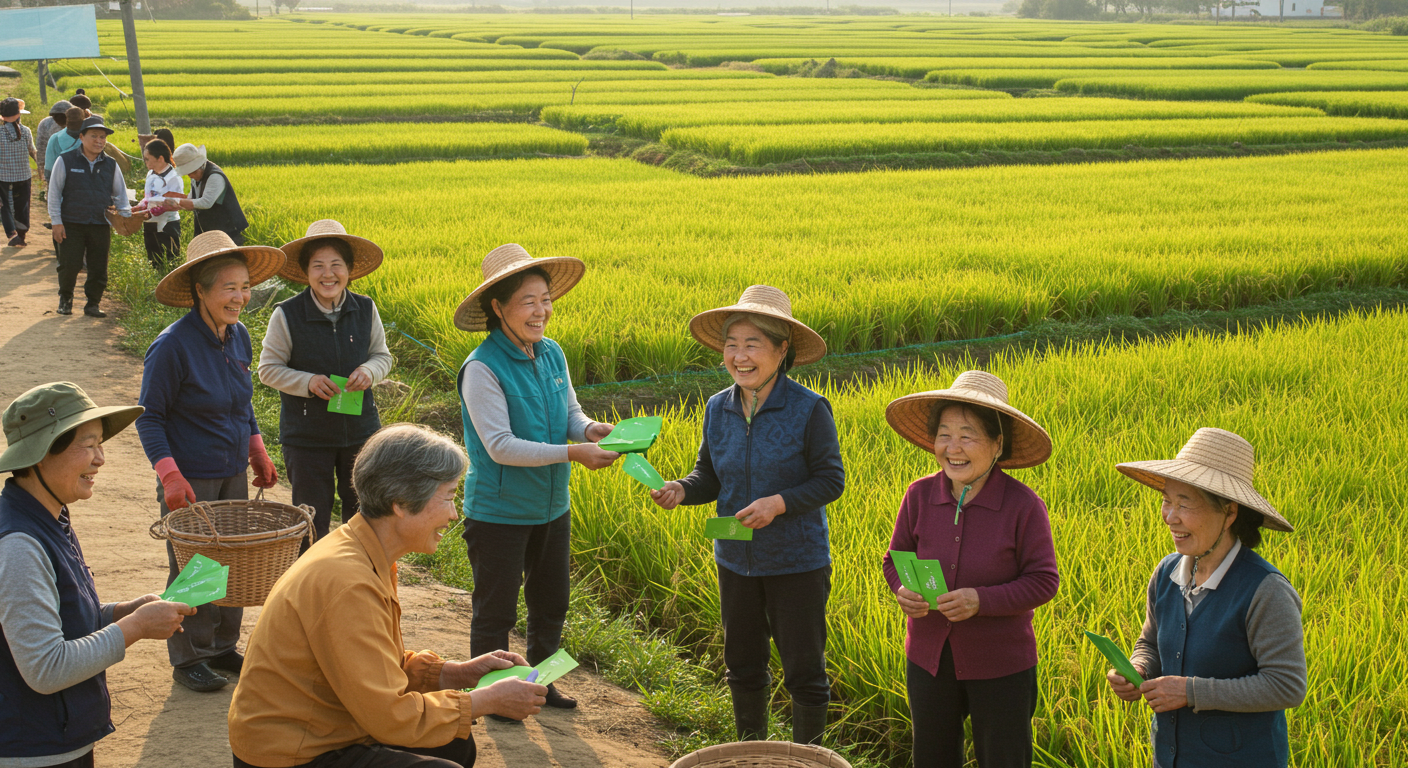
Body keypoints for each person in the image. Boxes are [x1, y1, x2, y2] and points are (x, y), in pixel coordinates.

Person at [228, 424, 549, 768]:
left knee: (454, 744)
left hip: (323, 727)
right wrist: (484, 701)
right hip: (292, 751)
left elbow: (373, 667)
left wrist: (455, 674)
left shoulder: (364, 551)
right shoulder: (348, 581)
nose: (455, 514)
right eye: (449, 497)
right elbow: (391, 716)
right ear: (401, 503)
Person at [649, 285, 844, 745]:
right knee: (742, 663)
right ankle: (751, 750)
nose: (740, 356)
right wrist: (681, 488)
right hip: (735, 557)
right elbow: (710, 476)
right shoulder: (719, 406)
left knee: (803, 669)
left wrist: (780, 503)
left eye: (753, 344)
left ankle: (807, 757)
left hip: (797, 561)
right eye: (731, 345)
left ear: (782, 350)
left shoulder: (809, 409)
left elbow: (831, 480)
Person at [452, 243, 618, 713]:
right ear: (498, 307)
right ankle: (492, 698)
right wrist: (574, 452)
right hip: (499, 512)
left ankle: (541, 686)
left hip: (552, 507)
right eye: (528, 301)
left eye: (545, 299)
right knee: (496, 612)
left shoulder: (551, 354)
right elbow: (499, 445)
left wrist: (589, 430)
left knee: (551, 605)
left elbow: (570, 412)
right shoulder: (482, 367)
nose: (541, 310)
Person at [1, 382, 195, 768]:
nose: (100, 459)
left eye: (100, 444)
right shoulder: (19, 545)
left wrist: (122, 611)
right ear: (40, 454)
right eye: (87, 445)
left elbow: (61, 618)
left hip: (55, 739)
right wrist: (136, 626)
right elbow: (45, 667)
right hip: (34, 752)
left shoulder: (49, 516)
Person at [880, 370, 1058, 767]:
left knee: (1003, 758)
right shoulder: (920, 494)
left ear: (997, 445)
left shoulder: (1023, 505)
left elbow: (1044, 581)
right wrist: (902, 591)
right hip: (928, 656)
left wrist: (981, 600)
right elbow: (894, 558)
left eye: (967, 434)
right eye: (944, 434)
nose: (952, 447)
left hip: (1000, 662)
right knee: (933, 756)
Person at [135, 231, 286, 693]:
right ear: (200, 291)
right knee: (195, 565)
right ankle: (189, 656)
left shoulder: (237, 335)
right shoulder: (172, 346)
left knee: (233, 560)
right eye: (228, 288)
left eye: (244, 287)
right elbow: (149, 418)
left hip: (230, 470)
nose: (240, 297)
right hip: (190, 477)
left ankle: (222, 646)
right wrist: (171, 475)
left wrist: (256, 449)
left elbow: (242, 404)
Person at [1108, 428, 1306, 768]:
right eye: (1167, 500)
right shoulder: (1167, 573)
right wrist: (1137, 668)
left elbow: (1286, 685)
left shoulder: (1265, 590)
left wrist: (1190, 692)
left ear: (1229, 513)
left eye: (1185, 503)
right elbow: (1151, 642)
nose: (1170, 516)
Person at [259, 220, 393, 549]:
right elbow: (268, 369)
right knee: (311, 521)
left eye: (336, 265)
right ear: (306, 272)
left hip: (361, 433)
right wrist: (308, 382)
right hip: (307, 438)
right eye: (318, 266)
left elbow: (383, 356)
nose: (328, 274)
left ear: (349, 270)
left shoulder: (365, 308)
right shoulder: (287, 314)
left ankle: (358, 587)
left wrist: (370, 371)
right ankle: (310, 591)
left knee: (363, 518)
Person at [46, 116, 130, 318]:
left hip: (100, 223)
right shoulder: (65, 160)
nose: (99, 141)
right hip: (71, 222)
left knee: (98, 266)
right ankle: (65, 298)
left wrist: (126, 218)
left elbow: (120, 194)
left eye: (103, 137)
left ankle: (93, 303)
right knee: (69, 264)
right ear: (81, 137)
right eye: (94, 136)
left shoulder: (111, 164)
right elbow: (54, 193)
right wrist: (56, 222)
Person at [169, 143, 248, 245]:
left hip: (228, 231)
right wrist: (176, 205)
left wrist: (180, 202)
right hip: (208, 231)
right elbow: (192, 199)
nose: (189, 175)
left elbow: (206, 202)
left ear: (199, 165)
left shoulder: (215, 176)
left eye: (191, 172)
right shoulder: (196, 176)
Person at [137, 138, 182, 271]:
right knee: (153, 261)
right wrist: (140, 206)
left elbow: (176, 203)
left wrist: (159, 209)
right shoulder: (150, 173)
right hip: (150, 222)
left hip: (167, 226)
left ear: (160, 159)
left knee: (169, 263)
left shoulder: (174, 177)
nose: (145, 162)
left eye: (148, 159)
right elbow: (148, 197)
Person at [1, 98, 36, 248]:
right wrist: (41, 168)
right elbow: (33, 151)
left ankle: (12, 233)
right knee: (22, 205)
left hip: (3, 177)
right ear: (18, 115)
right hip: (23, 176)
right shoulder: (26, 131)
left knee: (5, 205)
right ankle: (21, 235)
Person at [34, 100, 72, 182]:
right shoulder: (46, 124)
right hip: (53, 166)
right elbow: (41, 146)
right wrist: (41, 167)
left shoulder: (78, 125)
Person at [43, 107, 84, 180]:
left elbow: (49, 170)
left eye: (76, 121)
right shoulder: (55, 138)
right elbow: (49, 170)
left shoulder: (89, 138)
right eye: (72, 121)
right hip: (62, 181)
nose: (74, 124)